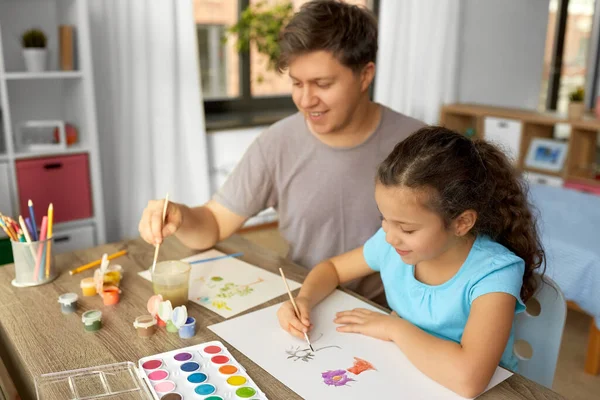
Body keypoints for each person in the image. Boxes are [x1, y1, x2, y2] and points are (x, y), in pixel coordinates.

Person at [138, 0, 424, 303]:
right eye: (297, 83)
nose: (305, 100)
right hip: (304, 305)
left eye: (322, 84)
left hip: (392, 314)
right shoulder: (277, 144)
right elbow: (214, 224)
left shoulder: (419, 144)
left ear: (365, 76)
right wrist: (180, 216)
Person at [276, 126, 546, 398]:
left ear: (461, 222)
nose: (390, 237)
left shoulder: (494, 273)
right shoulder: (392, 243)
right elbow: (332, 269)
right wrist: (304, 300)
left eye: (407, 229)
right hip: (406, 377)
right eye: (384, 218)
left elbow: (469, 380)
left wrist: (394, 328)